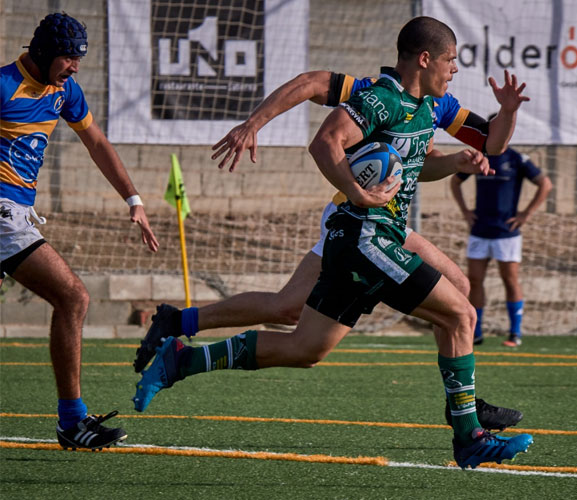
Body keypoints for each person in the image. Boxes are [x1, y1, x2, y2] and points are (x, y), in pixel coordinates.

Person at [133, 16, 533, 470]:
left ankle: (183, 359)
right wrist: (260, 126)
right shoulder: (375, 96)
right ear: (424, 60)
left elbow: (485, 144)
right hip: (363, 230)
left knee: (306, 348)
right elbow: (321, 121)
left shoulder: (436, 107)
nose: (455, 69)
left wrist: (507, 113)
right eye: (450, 61)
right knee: (460, 311)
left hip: (380, 230)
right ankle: (467, 428)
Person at [0, 12, 159, 450]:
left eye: (78, 59)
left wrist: (134, 200)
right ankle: (72, 422)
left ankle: (72, 422)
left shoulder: (64, 90)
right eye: (69, 57)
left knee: (71, 299)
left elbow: (98, 144)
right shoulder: (2, 86)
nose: (75, 66)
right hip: (3, 214)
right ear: (46, 53)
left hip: (16, 215)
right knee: (74, 297)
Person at [450, 123, 552, 347]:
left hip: (507, 233)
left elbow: (545, 184)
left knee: (510, 279)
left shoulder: (517, 159)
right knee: (474, 281)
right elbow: (455, 181)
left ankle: (515, 333)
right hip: (480, 230)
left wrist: (526, 214)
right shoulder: (479, 158)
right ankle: (475, 333)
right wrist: (465, 211)